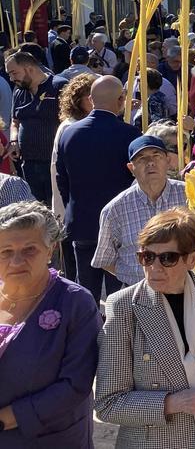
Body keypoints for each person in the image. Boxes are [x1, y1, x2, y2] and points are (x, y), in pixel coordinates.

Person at [94, 209, 195, 449]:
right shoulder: (123, 307)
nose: (154, 267)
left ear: (193, 259)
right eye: (146, 257)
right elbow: (108, 403)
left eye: (168, 258)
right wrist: (173, 403)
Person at [0, 201, 101, 448]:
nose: (16, 261)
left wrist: (5, 419)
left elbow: (75, 385)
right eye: (5, 251)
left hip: (49, 439)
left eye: (29, 250)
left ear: (50, 250)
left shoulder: (75, 303)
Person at [55, 75, 141, 299]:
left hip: (82, 221)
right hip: (119, 225)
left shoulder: (69, 133)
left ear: (91, 99)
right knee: (118, 295)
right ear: (121, 100)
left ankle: (87, 331)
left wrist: (74, 205)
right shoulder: (129, 134)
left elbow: (62, 178)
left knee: (86, 290)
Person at [92, 136, 188, 290]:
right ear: (131, 168)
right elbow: (105, 259)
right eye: (142, 158)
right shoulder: (115, 209)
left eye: (156, 156)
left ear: (168, 161)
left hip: (184, 289)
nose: (150, 162)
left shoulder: (190, 195)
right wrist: (135, 275)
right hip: (137, 293)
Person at [6, 51, 68, 203]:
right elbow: (15, 121)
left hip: (55, 164)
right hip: (28, 164)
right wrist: (14, 141)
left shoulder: (59, 86)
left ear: (29, 68)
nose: (12, 79)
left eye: (14, 73)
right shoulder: (19, 92)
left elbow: (71, 121)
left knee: (57, 209)